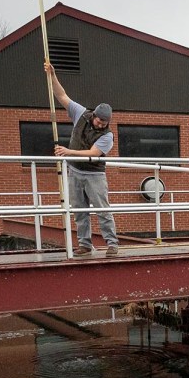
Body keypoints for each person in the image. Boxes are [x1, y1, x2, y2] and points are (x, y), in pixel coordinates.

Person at [45, 62, 119, 256]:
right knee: (79, 210)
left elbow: (93, 154)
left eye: (105, 123)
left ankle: (112, 244)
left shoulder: (108, 136)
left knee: (103, 210)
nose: (101, 124)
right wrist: (52, 75)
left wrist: (68, 152)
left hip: (94, 175)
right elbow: (61, 96)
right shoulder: (80, 113)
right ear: (94, 115)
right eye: (99, 121)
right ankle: (85, 245)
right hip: (75, 172)